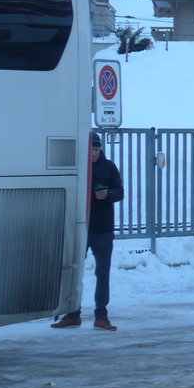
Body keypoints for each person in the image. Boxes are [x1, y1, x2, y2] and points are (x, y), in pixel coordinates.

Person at [51, 133, 123, 331]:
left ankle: (101, 315)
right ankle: (73, 313)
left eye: (96, 150)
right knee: (75, 272)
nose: (92, 153)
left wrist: (107, 194)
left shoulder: (109, 167)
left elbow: (120, 192)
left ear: (100, 150)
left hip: (102, 229)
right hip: (79, 228)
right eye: (90, 149)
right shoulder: (78, 167)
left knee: (102, 273)